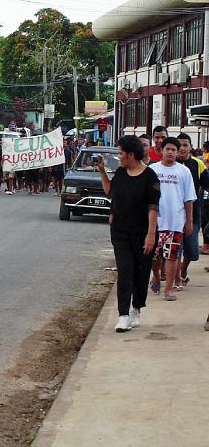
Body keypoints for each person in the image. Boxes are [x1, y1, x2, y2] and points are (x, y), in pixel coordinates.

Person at [97, 135, 160, 332]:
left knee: (141, 273)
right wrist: (101, 172)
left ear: (131, 155)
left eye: (121, 153)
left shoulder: (150, 177)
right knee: (125, 271)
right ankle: (122, 315)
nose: (119, 156)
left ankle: (136, 309)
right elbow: (109, 191)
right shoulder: (121, 173)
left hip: (143, 233)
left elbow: (153, 208)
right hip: (120, 232)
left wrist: (151, 234)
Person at [149, 137, 195, 301]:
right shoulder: (152, 170)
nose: (170, 152)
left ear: (177, 152)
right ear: (161, 151)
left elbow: (188, 198)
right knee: (155, 256)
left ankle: (168, 289)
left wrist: (189, 221)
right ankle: (155, 275)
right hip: (155, 222)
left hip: (175, 221)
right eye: (167, 149)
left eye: (173, 150)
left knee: (172, 256)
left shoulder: (184, 171)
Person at [175, 133, 208, 288]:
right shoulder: (169, 163)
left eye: (185, 145)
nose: (182, 149)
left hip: (193, 213)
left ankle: (183, 269)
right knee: (175, 249)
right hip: (172, 214)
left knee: (192, 250)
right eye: (179, 145)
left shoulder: (197, 164)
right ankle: (174, 277)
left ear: (190, 147)